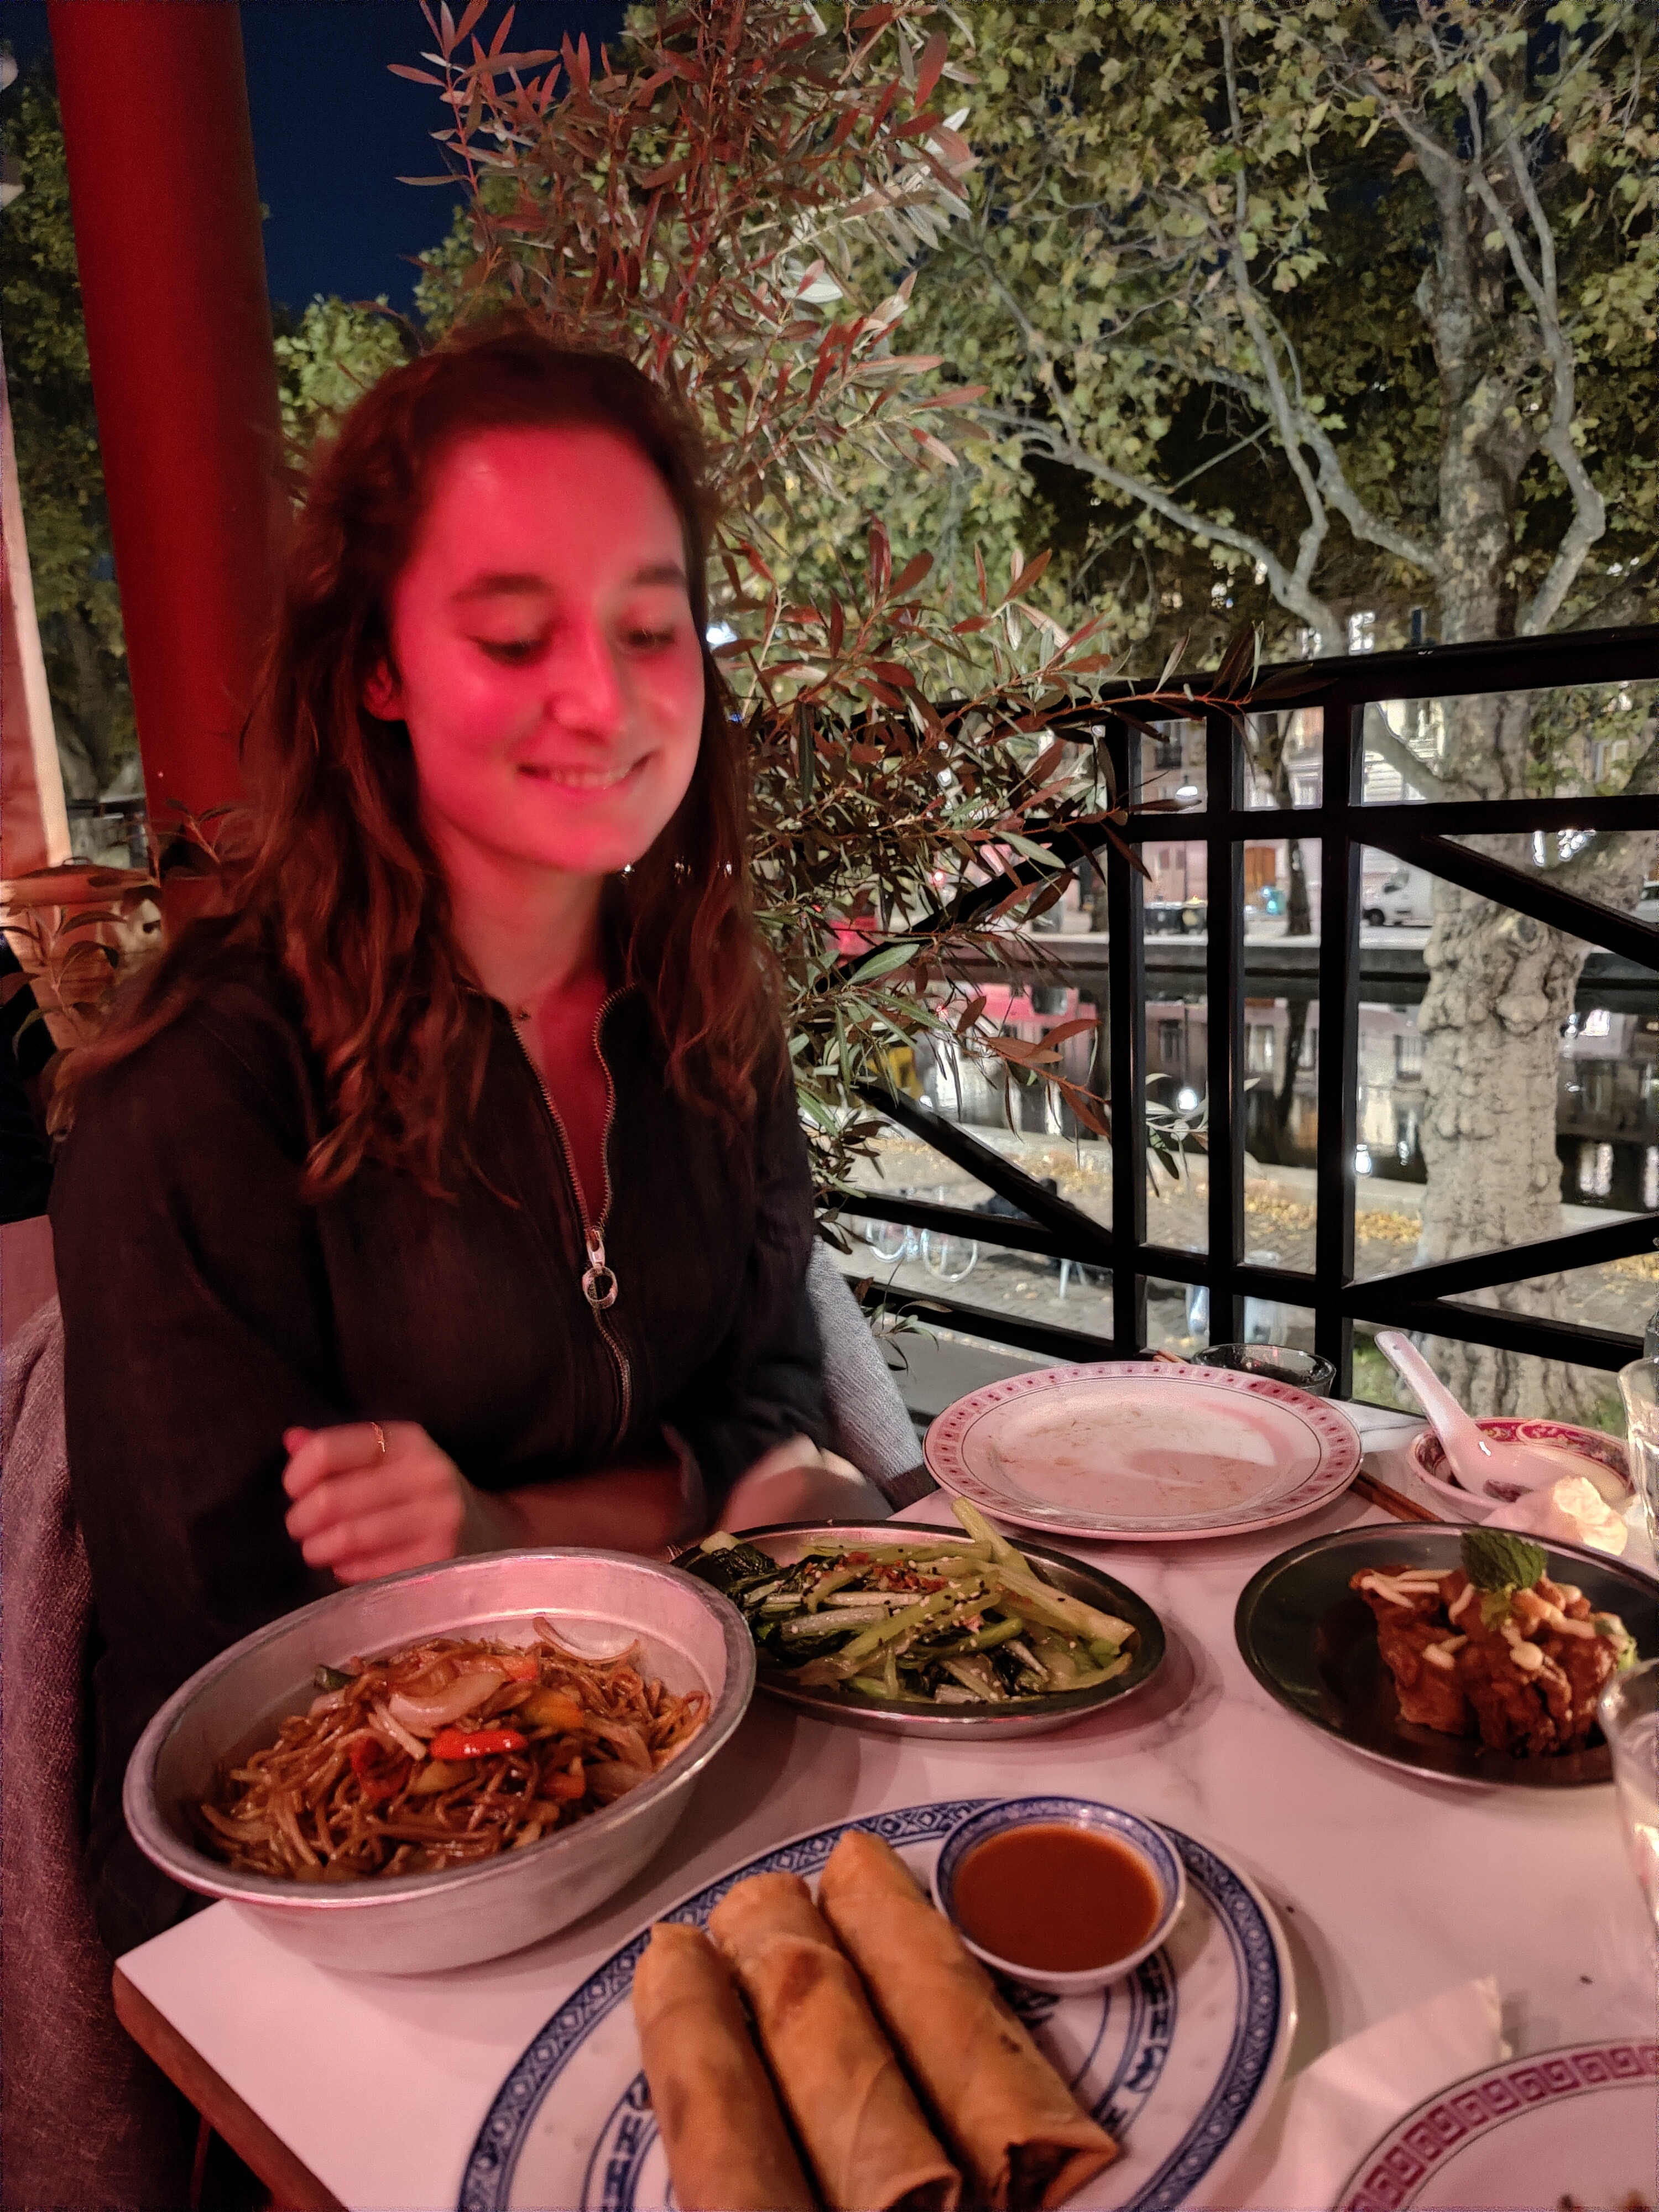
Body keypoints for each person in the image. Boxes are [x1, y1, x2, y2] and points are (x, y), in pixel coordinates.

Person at [49, 324, 877, 1957]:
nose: (606, 697)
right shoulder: (202, 1091)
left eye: (651, 627)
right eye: (513, 636)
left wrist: (506, 1532)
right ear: (378, 666)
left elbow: (776, 1413)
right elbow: (254, 1666)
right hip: (333, 1909)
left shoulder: (704, 1008)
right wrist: (679, 1513)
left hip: (695, 1783)